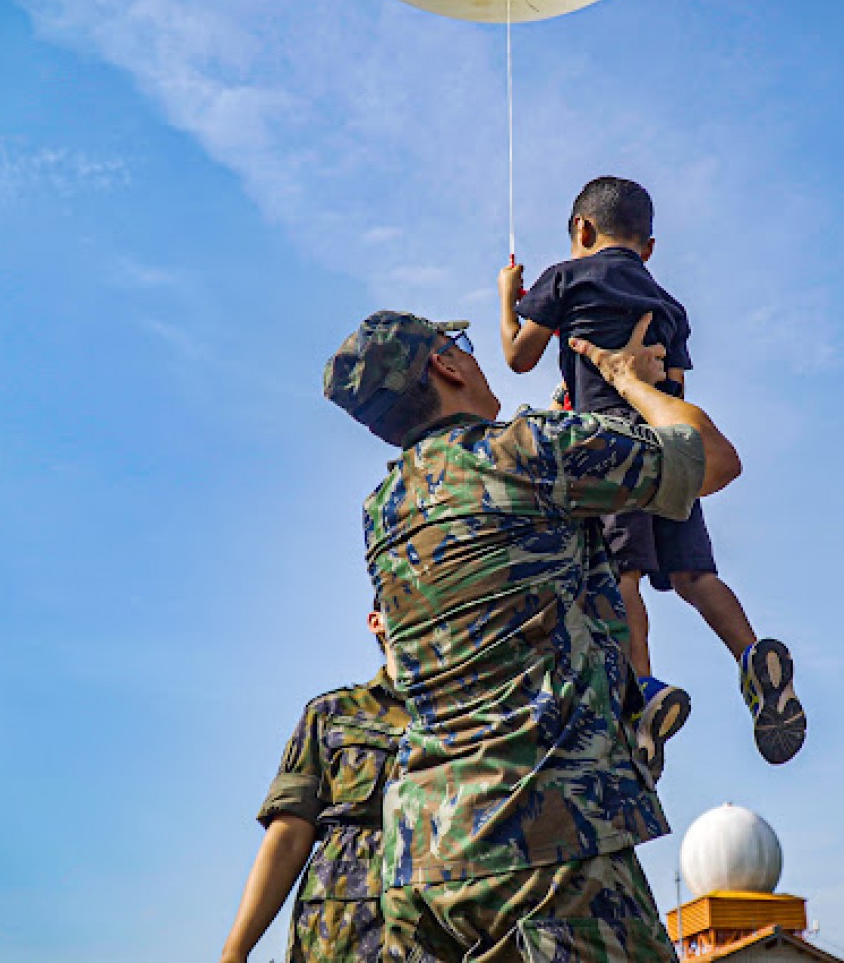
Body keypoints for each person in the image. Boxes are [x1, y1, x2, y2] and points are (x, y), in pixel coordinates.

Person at [323, 307, 741, 962]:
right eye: (458, 341)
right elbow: (712, 460)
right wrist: (628, 380)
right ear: (446, 363)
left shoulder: (385, 509)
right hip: (546, 841)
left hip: (421, 859)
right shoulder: (529, 449)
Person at [496, 175, 806, 766]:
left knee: (623, 576)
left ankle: (643, 695)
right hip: (668, 445)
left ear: (581, 231)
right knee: (693, 576)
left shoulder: (564, 278)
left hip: (607, 452)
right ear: (650, 247)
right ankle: (750, 656)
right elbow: (676, 388)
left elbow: (517, 355)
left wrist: (509, 296)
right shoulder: (669, 305)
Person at [219, 607, 408, 963]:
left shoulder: (474, 716)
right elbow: (289, 836)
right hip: (341, 935)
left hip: (447, 932)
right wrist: (236, 950)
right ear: (375, 622)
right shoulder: (333, 713)